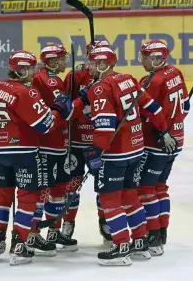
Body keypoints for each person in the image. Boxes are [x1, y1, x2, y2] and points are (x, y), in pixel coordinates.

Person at [76, 47, 177, 266]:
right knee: (130, 195)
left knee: (109, 199)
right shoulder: (129, 79)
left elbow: (105, 126)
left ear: (103, 65)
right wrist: (163, 130)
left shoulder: (101, 88)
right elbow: (154, 109)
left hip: (116, 154)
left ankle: (121, 246)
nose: (89, 67)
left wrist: (96, 151)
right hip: (136, 149)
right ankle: (140, 242)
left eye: (92, 63)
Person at [0, 50, 73, 265]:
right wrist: (59, 108)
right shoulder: (26, 92)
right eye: (31, 67)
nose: (35, 71)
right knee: (27, 198)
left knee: (2, 196)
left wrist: (6, 131)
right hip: (24, 151)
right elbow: (46, 125)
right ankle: (21, 246)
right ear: (21, 70)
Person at [136, 40, 190, 255]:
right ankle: (162, 231)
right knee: (160, 186)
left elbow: (150, 112)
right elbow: (185, 106)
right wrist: (173, 124)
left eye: (146, 56)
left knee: (146, 188)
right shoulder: (175, 72)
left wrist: (163, 129)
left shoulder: (152, 81)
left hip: (158, 141)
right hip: (177, 138)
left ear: (157, 58)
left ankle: (154, 236)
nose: (142, 60)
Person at [30, 44, 78, 251]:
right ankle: (33, 234)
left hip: (57, 143)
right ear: (51, 61)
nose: (64, 61)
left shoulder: (51, 78)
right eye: (61, 58)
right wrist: (83, 98)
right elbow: (63, 112)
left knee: (58, 187)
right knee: (43, 189)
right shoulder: (47, 80)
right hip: (48, 144)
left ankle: (53, 232)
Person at [63, 40, 111, 241]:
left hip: (99, 142)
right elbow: (65, 107)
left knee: (103, 185)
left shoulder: (110, 79)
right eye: (95, 59)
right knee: (71, 184)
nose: (98, 64)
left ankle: (106, 221)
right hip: (76, 141)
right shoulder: (74, 76)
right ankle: (68, 221)